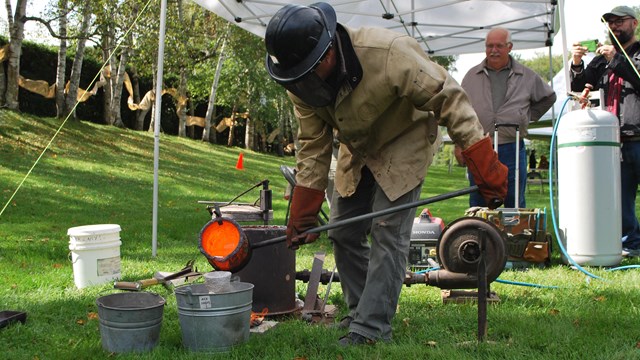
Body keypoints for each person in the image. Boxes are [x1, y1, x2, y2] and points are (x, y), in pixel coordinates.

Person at [264, 2, 507, 346]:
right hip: (359, 145)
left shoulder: (389, 53)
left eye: (306, 73)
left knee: (387, 231)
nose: (301, 83)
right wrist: (303, 211)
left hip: (405, 139)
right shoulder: (301, 81)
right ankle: (360, 310)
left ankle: (372, 328)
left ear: (328, 53)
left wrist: (483, 161)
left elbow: (450, 98)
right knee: (344, 232)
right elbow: (313, 145)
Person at [456, 28, 556, 208]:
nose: (494, 50)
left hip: (512, 146)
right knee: (479, 202)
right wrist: (458, 145)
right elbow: (459, 112)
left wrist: (526, 116)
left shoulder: (526, 75)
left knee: (514, 200)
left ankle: (514, 236)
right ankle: (481, 235)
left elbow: (549, 97)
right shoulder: (471, 76)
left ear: (509, 47)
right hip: (480, 148)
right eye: (489, 46)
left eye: (499, 46)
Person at [569, 5, 640, 256]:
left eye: (620, 21)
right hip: (615, 140)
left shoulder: (634, 53)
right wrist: (577, 62)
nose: (615, 26)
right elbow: (579, 85)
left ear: (634, 24)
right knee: (621, 198)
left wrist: (616, 60)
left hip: (639, 136)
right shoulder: (602, 59)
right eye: (610, 23)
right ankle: (631, 243)